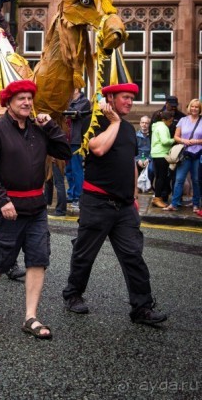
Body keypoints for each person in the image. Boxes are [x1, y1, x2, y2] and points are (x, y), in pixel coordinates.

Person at [0, 79, 71, 339]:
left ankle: (31, 317)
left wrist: (51, 126)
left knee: (38, 258)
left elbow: (64, 151)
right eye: (20, 99)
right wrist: (2, 201)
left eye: (29, 98)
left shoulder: (39, 128)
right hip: (8, 208)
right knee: (1, 262)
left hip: (36, 206)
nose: (26, 102)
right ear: (9, 103)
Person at [62, 81, 167, 327]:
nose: (130, 102)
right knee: (85, 254)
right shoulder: (95, 122)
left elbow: (129, 164)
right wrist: (116, 123)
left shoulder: (129, 130)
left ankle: (142, 307)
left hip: (124, 207)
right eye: (125, 98)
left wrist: (134, 200)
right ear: (110, 99)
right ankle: (72, 294)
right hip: (97, 202)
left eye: (132, 98)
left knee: (133, 255)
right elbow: (97, 149)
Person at [164, 99, 202, 213]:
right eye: (192, 106)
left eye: (197, 107)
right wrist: (184, 140)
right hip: (184, 154)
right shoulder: (183, 120)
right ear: (189, 107)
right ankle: (174, 204)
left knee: (196, 180)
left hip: (197, 154)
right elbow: (176, 136)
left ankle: (196, 204)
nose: (194, 109)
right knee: (179, 179)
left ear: (200, 109)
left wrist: (196, 141)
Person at [64, 88, 91, 208]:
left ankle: (79, 196)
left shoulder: (84, 102)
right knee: (68, 170)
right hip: (67, 139)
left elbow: (74, 114)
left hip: (76, 139)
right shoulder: (68, 101)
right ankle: (71, 194)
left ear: (75, 89)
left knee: (77, 169)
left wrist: (63, 107)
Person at [150, 111, 175, 208]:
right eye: (170, 121)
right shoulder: (163, 127)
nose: (171, 123)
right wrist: (174, 140)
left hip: (156, 154)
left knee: (159, 177)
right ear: (164, 120)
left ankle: (157, 198)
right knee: (161, 178)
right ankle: (157, 198)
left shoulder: (156, 126)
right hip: (161, 154)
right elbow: (165, 142)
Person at [135, 115, 154, 189]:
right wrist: (137, 160)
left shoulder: (152, 136)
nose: (144, 125)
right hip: (138, 157)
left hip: (149, 158)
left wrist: (148, 159)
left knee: (151, 169)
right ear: (140, 123)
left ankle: (149, 187)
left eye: (146, 123)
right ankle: (137, 187)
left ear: (149, 124)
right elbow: (133, 150)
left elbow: (154, 149)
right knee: (132, 168)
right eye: (142, 122)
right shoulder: (135, 135)